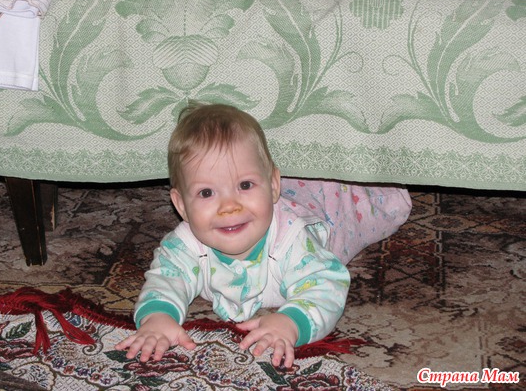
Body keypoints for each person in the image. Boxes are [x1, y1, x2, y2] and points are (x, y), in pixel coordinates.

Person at [115, 103, 411, 368]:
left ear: (272, 186)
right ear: (180, 205)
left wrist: (291, 322)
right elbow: (165, 279)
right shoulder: (185, 245)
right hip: (276, 195)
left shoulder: (293, 241)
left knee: (364, 206)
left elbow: (326, 284)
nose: (229, 206)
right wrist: (157, 318)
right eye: (206, 193)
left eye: (244, 185)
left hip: (325, 210)